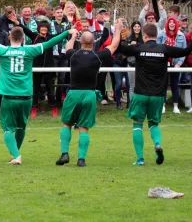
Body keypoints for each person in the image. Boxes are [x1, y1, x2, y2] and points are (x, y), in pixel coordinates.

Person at [0, 16, 76, 165]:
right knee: (20, 127)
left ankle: (16, 155)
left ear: (9, 37)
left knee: (7, 128)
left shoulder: (2, 50)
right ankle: (15, 154)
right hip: (26, 96)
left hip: (9, 96)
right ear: (23, 38)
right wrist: (67, 32)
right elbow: (51, 42)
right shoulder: (29, 50)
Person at [121, 24, 192, 166]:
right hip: (158, 95)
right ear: (156, 35)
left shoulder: (139, 48)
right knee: (154, 124)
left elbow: (119, 48)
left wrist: (119, 32)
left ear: (145, 35)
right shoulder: (164, 49)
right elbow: (185, 51)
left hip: (140, 94)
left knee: (137, 125)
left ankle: (140, 159)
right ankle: (157, 144)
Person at [56, 21, 123, 167]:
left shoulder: (73, 55)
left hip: (73, 93)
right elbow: (114, 45)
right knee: (83, 127)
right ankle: (81, 159)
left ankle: (64, 153)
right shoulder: (98, 56)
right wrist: (117, 30)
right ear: (93, 43)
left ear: (80, 42)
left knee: (66, 124)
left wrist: (73, 36)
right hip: (89, 95)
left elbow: (67, 48)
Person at [17, 16, 60, 118]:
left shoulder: (50, 38)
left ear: (48, 29)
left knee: (50, 89)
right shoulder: (35, 37)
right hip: (36, 67)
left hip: (49, 67)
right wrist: (17, 22)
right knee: (35, 89)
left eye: (46, 28)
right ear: (39, 29)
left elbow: (60, 36)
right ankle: (34, 109)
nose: (44, 29)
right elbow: (25, 30)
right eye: (42, 28)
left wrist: (70, 29)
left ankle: (54, 109)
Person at [157, 17, 186, 114]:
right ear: (168, 24)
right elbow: (157, 47)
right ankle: (162, 105)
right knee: (163, 85)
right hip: (163, 64)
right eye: (170, 22)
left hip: (175, 64)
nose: (172, 24)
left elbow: (184, 51)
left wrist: (178, 64)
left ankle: (175, 106)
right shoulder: (161, 33)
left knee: (175, 85)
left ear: (176, 24)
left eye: (174, 22)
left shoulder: (181, 35)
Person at [125, 21, 143, 104]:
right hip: (131, 64)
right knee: (132, 86)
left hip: (141, 65)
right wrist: (130, 45)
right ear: (132, 28)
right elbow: (125, 51)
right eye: (135, 26)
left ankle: (140, 103)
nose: (137, 28)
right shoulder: (128, 38)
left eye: (138, 26)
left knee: (140, 85)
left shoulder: (144, 38)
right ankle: (132, 104)